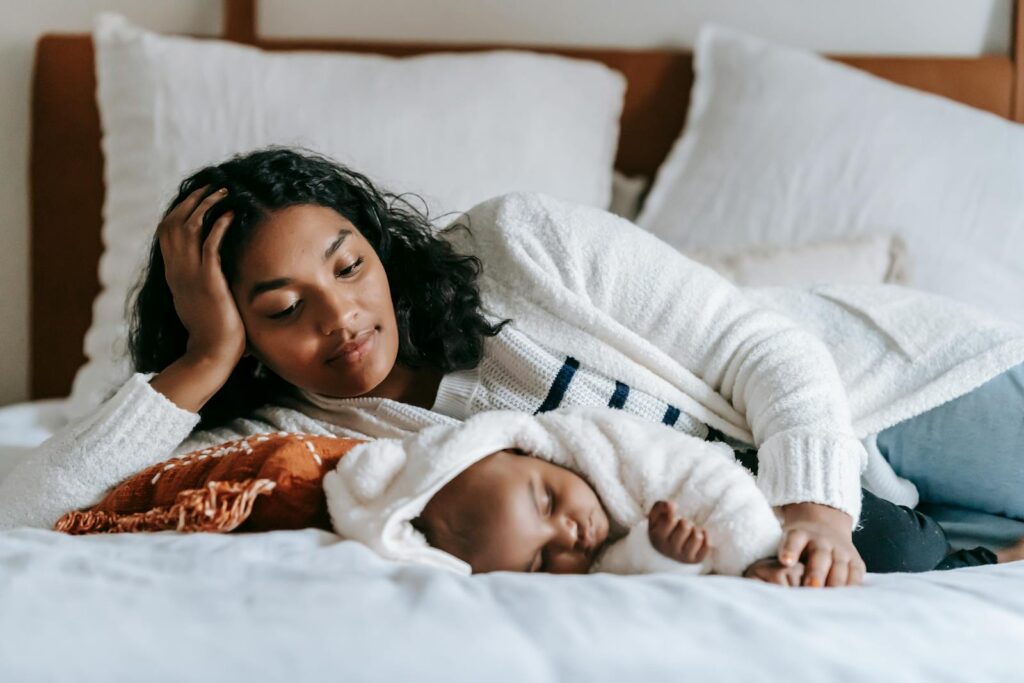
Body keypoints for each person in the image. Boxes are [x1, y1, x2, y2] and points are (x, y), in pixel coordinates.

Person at [2, 147, 1023, 589]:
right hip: (858, 531)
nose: (343, 317)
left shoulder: (518, 243)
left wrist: (816, 508)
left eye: (348, 266)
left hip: (883, 392)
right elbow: (26, 511)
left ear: (376, 245)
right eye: (280, 309)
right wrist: (201, 357)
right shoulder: (288, 439)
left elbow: (763, 346)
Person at [321, 407, 1024, 583]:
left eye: (546, 501)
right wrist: (659, 551)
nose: (571, 534)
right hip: (742, 548)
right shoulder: (578, 552)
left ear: (526, 450)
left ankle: (992, 551)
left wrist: (754, 554)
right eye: (542, 561)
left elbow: (713, 482)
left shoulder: (606, 444)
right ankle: (985, 563)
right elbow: (615, 572)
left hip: (761, 487)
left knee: (897, 545)